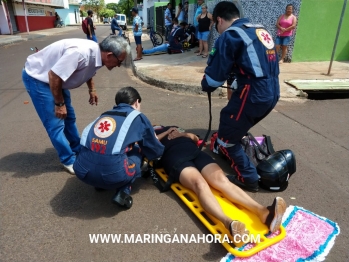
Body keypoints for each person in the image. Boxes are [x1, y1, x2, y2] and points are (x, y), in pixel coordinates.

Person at [22, 36, 130, 175]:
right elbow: (54, 76)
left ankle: (77, 149)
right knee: (55, 123)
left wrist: (92, 89)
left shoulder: (96, 53)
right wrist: (59, 103)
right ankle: (68, 159)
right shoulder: (80, 54)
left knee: (69, 117)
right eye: (119, 61)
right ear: (109, 55)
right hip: (39, 79)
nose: (119, 65)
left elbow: (88, 69)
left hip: (58, 79)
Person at [201, 1, 280, 192]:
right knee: (236, 122)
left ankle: (248, 178)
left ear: (219, 19)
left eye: (215, 25)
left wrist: (206, 84)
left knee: (227, 135)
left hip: (252, 94)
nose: (216, 30)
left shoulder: (230, 35)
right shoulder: (260, 29)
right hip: (273, 91)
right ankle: (239, 144)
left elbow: (214, 78)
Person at [154, 126, 287, 237]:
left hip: (195, 152)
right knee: (200, 184)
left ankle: (264, 213)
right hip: (174, 157)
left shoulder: (175, 128)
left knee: (222, 180)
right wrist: (166, 133)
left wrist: (182, 134)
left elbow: (196, 139)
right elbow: (149, 146)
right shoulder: (149, 130)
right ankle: (229, 223)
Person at [74, 87, 164, 208]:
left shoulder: (104, 115)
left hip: (82, 171)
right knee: (139, 150)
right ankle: (123, 192)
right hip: (112, 175)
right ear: (137, 102)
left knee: (107, 150)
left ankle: (100, 185)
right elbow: (153, 148)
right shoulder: (138, 117)